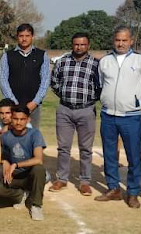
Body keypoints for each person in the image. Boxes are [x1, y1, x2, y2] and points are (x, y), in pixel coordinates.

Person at [95, 26, 141, 208]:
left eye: (124, 40)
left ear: (131, 41)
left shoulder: (140, 60)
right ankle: (113, 188)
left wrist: (137, 101)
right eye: (117, 40)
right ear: (113, 40)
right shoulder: (105, 61)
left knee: (134, 156)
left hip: (131, 116)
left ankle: (132, 192)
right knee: (109, 155)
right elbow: (101, 84)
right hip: (108, 116)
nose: (121, 43)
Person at [48, 32, 100, 196]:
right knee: (63, 147)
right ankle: (62, 179)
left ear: (88, 46)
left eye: (83, 44)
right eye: (76, 44)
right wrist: (65, 96)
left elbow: (100, 87)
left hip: (86, 110)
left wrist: (90, 100)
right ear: (72, 45)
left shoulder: (96, 64)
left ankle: (84, 181)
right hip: (65, 110)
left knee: (86, 148)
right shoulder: (63, 61)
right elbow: (54, 82)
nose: (79, 47)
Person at [0, 106, 46, 221]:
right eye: (15, 119)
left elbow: (38, 159)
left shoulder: (35, 134)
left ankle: (36, 205)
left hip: (29, 174)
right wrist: (4, 161)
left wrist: (16, 165)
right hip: (13, 176)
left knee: (39, 169)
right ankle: (21, 196)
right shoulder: (5, 137)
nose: (18, 122)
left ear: (28, 120)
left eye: (22, 119)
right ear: (11, 119)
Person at [0, 23, 50, 129]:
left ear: (32, 36)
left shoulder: (42, 55)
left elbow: (45, 80)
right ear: (17, 37)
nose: (24, 39)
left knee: (32, 135)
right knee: (12, 135)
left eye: (27, 36)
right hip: (13, 105)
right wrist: (14, 102)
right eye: (21, 36)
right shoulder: (8, 55)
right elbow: (3, 80)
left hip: (33, 105)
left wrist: (35, 102)